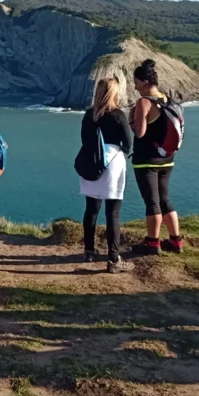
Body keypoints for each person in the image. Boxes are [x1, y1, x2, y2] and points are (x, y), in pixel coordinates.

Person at [79, 78, 134, 273]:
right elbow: (128, 144)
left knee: (91, 210)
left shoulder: (88, 115)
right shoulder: (118, 115)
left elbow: (84, 139)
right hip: (112, 163)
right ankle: (113, 259)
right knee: (113, 212)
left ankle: (89, 251)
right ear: (114, 93)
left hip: (91, 162)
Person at [129, 59, 183, 255]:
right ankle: (176, 241)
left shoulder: (144, 102)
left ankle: (152, 243)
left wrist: (131, 120)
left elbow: (140, 133)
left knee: (152, 202)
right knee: (165, 199)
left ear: (144, 82)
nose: (134, 86)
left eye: (135, 81)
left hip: (146, 161)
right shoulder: (166, 99)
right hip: (167, 159)